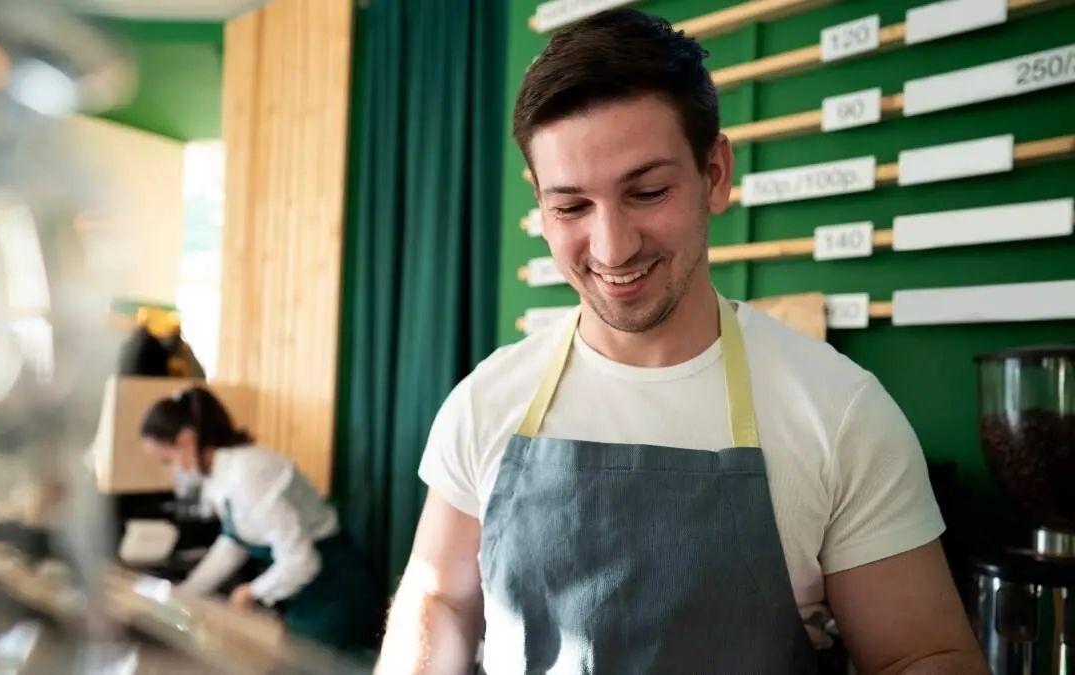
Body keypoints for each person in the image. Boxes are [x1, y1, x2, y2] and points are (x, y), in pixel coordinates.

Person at [377, 9, 987, 674]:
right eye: (571, 206)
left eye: (647, 191)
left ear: (715, 174)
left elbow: (919, 653)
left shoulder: (839, 413)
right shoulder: (486, 400)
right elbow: (440, 597)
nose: (612, 247)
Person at [140, 387, 380, 652]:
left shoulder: (248, 473)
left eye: (166, 460)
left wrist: (251, 592)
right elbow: (234, 544)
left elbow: (301, 561)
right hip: (305, 596)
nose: (171, 471)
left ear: (186, 440)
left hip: (336, 593)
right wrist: (185, 594)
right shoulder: (220, 478)